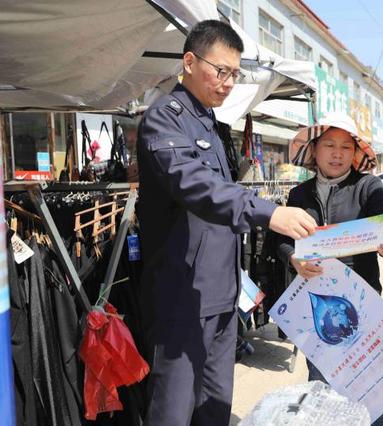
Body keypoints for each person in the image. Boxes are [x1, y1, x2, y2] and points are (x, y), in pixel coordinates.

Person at [136, 20, 317, 426]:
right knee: (174, 407)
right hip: (183, 293)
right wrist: (270, 213)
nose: (229, 82)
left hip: (221, 292)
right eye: (222, 71)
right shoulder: (165, 119)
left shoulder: (213, 127)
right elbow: (197, 186)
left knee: (215, 404)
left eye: (235, 74)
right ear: (188, 61)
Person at [277, 112, 383, 426]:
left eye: (346, 147)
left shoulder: (367, 187)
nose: (337, 153)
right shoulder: (298, 195)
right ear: (315, 150)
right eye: (329, 145)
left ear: (356, 153)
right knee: (323, 387)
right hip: (315, 310)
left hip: (363, 304)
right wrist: (293, 258)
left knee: (373, 387)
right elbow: (279, 241)